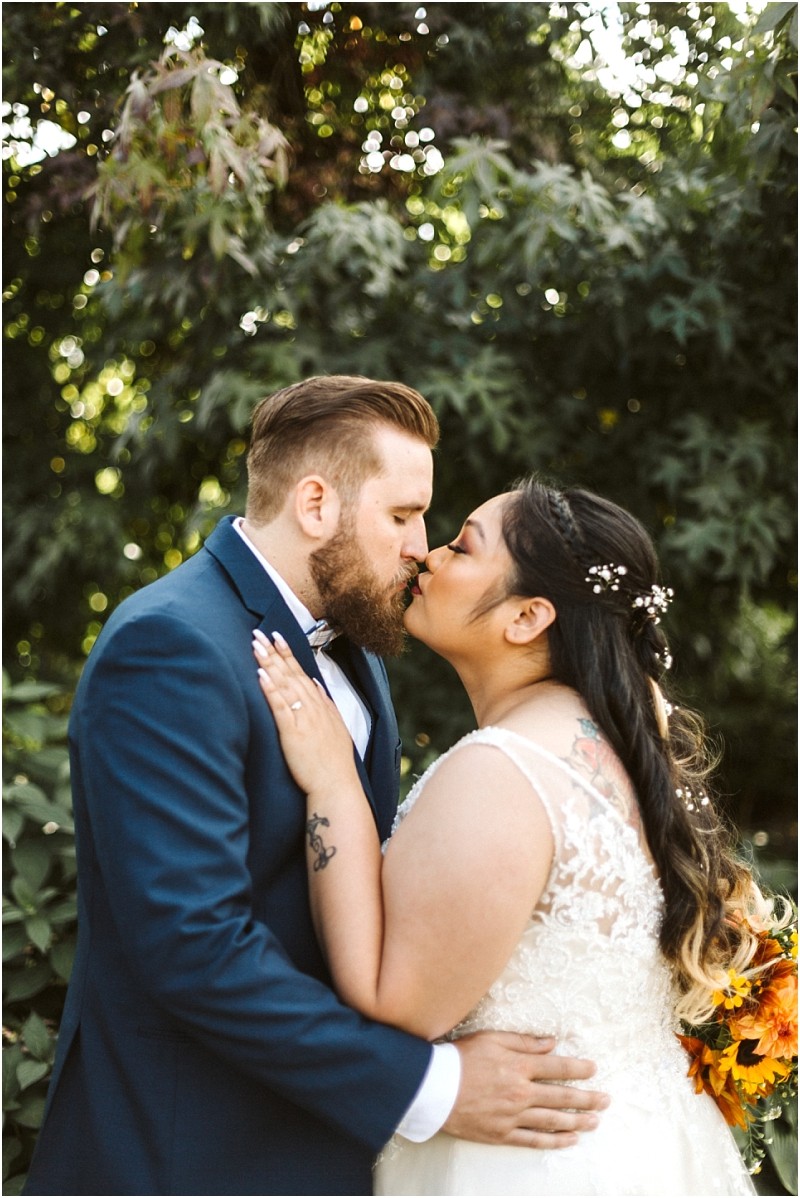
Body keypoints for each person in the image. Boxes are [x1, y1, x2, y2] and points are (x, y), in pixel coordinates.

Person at [25, 379, 608, 1198]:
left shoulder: (358, 649)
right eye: (403, 516)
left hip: (324, 1152)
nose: (421, 547)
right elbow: (193, 948)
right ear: (314, 505)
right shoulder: (170, 646)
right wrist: (429, 1088)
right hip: (187, 1154)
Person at [253, 476, 776, 1196]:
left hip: (527, 1165)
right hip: (644, 1150)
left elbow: (391, 1000)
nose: (428, 555)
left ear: (528, 617)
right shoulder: (623, 752)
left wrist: (332, 782)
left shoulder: (504, 770)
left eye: (463, 547)